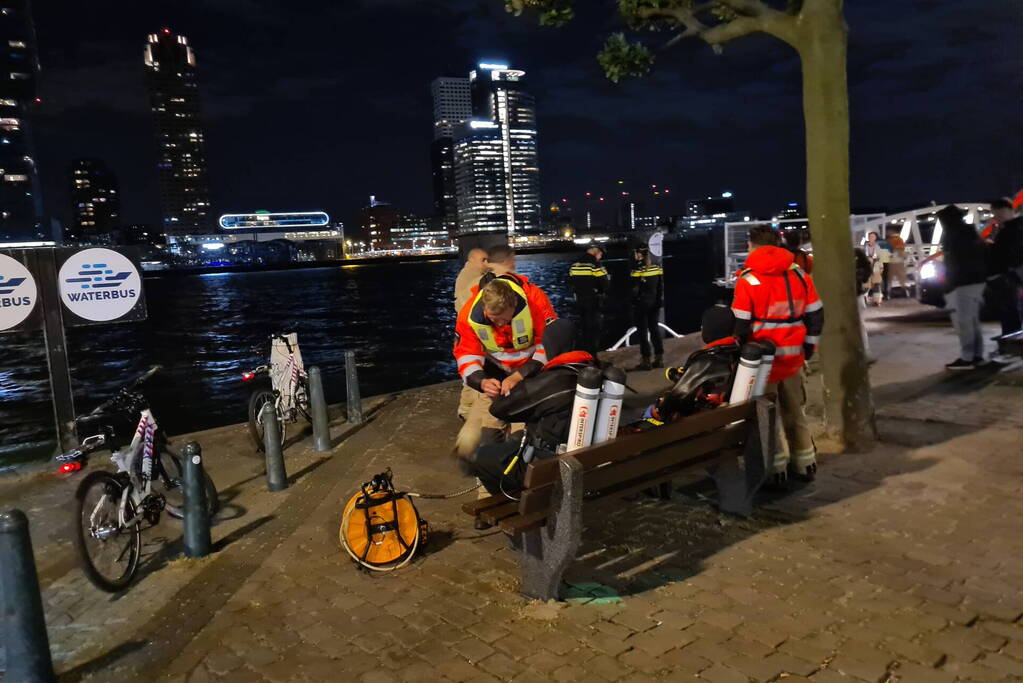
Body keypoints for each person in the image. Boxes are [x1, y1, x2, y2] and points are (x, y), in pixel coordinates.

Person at [731, 225, 823, 489]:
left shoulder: (747, 280)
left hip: (762, 363)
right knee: (796, 412)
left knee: (766, 418)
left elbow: (740, 326)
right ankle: (805, 463)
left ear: (752, 246)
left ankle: (775, 468)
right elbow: (816, 316)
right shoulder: (800, 275)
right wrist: (808, 349)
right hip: (793, 359)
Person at [470, 319, 596, 498]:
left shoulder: (555, 379)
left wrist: (500, 393)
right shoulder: (597, 371)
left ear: (552, 346)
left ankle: (513, 503)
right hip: (589, 462)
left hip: (548, 468)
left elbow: (500, 410)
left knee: (480, 457)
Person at [452, 271, 557, 463]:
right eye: (494, 319)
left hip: (530, 376)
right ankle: (491, 480)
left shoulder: (536, 299)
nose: (500, 324)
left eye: (505, 319)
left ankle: (519, 476)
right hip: (495, 376)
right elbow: (466, 355)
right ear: (484, 308)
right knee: (489, 438)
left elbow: (550, 344)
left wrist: (519, 375)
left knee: (522, 440)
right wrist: (481, 382)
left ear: (515, 304)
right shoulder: (468, 314)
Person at [939, 204, 988, 370]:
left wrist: (948, 284)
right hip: (977, 281)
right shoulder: (970, 232)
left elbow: (954, 262)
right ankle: (977, 355)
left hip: (962, 283)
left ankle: (967, 357)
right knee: (973, 320)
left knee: (963, 321)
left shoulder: (953, 235)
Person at [453, 249, 490, 421]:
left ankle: (466, 410)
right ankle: (467, 411)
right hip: (472, 332)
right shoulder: (472, 278)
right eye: (483, 260)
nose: (486, 263)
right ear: (472, 259)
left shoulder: (467, 275)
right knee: (474, 372)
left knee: (471, 371)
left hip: (466, 332)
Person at [988, 197, 1023, 340]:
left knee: (1010, 311)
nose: (997, 217)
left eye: (999, 213)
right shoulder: (1007, 229)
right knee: (1010, 310)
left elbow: (1010, 253)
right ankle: (1011, 344)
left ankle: (1011, 345)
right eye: (995, 214)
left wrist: (991, 248)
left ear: (1010, 210)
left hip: (1011, 276)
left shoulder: (1015, 229)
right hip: (1009, 276)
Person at [568, 245, 609, 355]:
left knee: (583, 330)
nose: (600, 257)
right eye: (600, 254)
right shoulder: (595, 266)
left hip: (580, 302)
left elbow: (571, 283)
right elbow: (605, 285)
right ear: (595, 251)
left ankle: (583, 355)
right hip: (593, 303)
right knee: (594, 331)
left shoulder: (574, 266)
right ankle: (593, 356)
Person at [630, 245, 664, 370]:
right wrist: (659, 300)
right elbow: (660, 287)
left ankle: (646, 361)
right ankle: (659, 359)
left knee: (642, 333)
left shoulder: (637, 269)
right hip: (654, 303)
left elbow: (634, 288)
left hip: (641, 304)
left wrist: (633, 301)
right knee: (654, 329)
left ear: (639, 255)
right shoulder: (657, 267)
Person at [863, 231, 887, 305]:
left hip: (876, 266)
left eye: (873, 236)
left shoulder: (878, 246)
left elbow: (879, 256)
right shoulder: (865, 246)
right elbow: (865, 256)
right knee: (866, 284)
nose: (871, 238)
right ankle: (864, 298)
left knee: (876, 284)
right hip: (867, 266)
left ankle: (877, 300)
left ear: (875, 238)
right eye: (870, 236)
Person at [885, 230, 909, 298]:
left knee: (889, 278)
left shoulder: (889, 240)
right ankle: (905, 292)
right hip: (900, 263)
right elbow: (904, 254)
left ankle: (887, 293)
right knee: (902, 279)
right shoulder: (900, 241)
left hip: (891, 263)